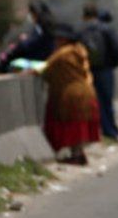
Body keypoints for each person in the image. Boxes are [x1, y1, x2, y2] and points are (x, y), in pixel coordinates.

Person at [38, 24, 100, 165]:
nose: (56, 42)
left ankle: (77, 155)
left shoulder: (62, 55)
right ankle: (79, 153)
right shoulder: (80, 51)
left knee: (73, 125)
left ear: (64, 40)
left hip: (71, 93)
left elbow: (46, 71)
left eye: (58, 39)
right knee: (81, 124)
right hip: (87, 90)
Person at [81, 3, 118, 142]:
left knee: (95, 101)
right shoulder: (106, 29)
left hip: (89, 70)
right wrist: (114, 63)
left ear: (84, 16)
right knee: (107, 100)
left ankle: (101, 129)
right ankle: (111, 129)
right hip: (106, 69)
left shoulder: (82, 31)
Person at [0, 0, 55, 73]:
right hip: (44, 61)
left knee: (8, 64)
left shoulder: (42, 27)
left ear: (36, 14)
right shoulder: (47, 26)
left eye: (31, 13)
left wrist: (22, 43)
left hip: (40, 63)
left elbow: (28, 45)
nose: (30, 16)